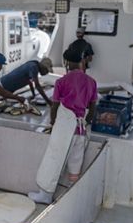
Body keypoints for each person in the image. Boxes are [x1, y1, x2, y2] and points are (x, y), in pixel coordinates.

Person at [28, 48, 98, 204]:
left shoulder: (62, 81)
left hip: (65, 125)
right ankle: (72, 197)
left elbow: (55, 106)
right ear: (81, 62)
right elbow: (93, 107)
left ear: (66, 63)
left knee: (54, 158)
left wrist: (53, 123)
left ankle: (45, 195)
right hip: (80, 127)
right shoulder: (91, 82)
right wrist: (87, 122)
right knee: (76, 160)